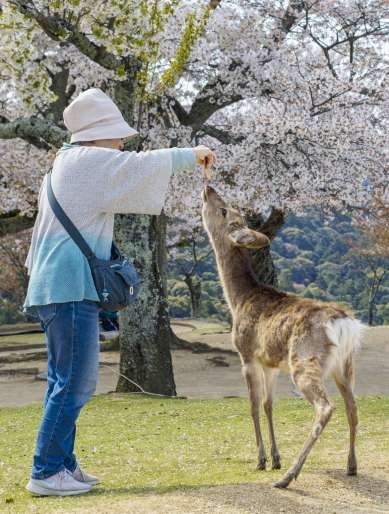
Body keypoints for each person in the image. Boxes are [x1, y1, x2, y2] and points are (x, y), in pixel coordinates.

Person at [22, 87, 215, 496]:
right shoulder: (86, 162)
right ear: (96, 133)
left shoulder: (66, 162)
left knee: (64, 380)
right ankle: (46, 471)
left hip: (57, 285)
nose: (121, 140)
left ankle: (63, 464)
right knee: (76, 382)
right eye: (114, 132)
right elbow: (142, 165)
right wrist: (191, 153)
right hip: (69, 286)